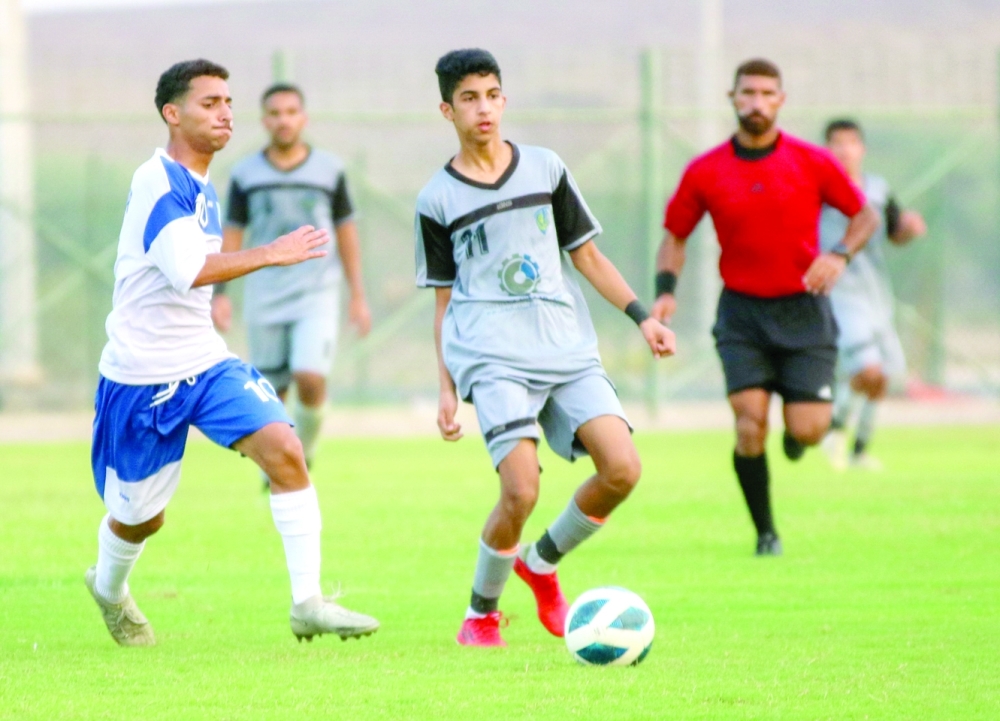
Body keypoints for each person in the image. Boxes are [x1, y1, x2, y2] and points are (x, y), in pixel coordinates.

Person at [86, 59, 378, 647]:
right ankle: (110, 588)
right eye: (209, 103)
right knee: (143, 518)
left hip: (204, 363)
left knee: (286, 450)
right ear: (173, 114)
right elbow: (190, 270)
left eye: (227, 102)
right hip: (141, 376)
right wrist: (273, 253)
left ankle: (307, 604)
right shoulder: (157, 180)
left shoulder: (204, 185)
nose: (226, 113)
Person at [414, 49, 675, 647]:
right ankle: (481, 613)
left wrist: (643, 317)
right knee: (521, 489)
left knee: (622, 469)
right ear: (446, 109)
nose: (483, 108)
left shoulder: (547, 168)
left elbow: (587, 257)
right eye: (469, 98)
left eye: (492, 94)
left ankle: (541, 563)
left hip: (564, 344)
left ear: (504, 99)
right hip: (490, 353)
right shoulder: (436, 199)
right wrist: (445, 389)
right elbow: (443, 301)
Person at [653, 59, 879, 556]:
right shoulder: (705, 170)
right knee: (749, 421)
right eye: (748, 93)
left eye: (766, 94)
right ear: (732, 97)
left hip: (805, 311)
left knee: (809, 429)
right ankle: (766, 534)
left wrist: (839, 253)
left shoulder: (812, 161)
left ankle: (800, 434)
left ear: (781, 100)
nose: (756, 102)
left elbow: (865, 214)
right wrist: (665, 290)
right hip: (742, 315)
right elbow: (675, 236)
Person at [213, 83, 371, 484]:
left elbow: (346, 232)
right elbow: (233, 232)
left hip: (316, 292)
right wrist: (220, 294)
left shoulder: (329, 170)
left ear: (303, 118)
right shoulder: (246, 174)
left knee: (311, 376)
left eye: (291, 112)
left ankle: (305, 451)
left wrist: (358, 296)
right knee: (271, 393)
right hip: (265, 295)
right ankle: (279, 464)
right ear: (264, 119)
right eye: (275, 113)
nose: (283, 120)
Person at [818, 119, 927, 470]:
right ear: (826, 149)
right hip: (840, 294)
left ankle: (858, 451)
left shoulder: (878, 190)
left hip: (876, 295)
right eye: (836, 143)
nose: (844, 150)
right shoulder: (817, 188)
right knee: (869, 369)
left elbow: (895, 232)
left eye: (851, 142)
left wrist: (908, 230)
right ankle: (831, 428)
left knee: (882, 381)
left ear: (861, 149)